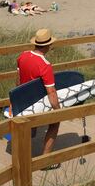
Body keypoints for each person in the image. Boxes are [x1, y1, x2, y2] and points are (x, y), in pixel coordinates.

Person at [16, 29, 61, 166]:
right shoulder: (45, 65)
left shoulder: (22, 56)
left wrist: (18, 98)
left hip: (23, 99)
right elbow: (51, 92)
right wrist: (58, 110)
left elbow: (18, 80)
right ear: (48, 46)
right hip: (36, 102)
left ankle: (22, 154)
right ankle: (45, 162)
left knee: (30, 127)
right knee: (55, 123)